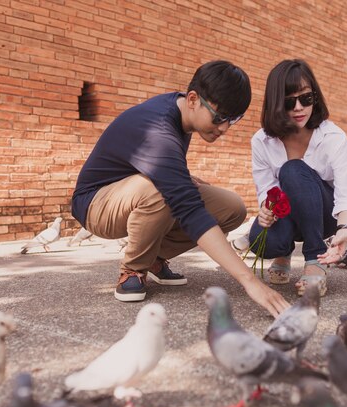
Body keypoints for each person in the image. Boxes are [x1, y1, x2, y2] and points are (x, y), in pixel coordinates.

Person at [71, 60, 290, 317]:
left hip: (132, 190)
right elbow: (189, 210)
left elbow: (151, 165)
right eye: (219, 117)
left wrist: (182, 177)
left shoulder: (180, 112)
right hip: (95, 203)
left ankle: (153, 256)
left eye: (233, 119)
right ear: (194, 99)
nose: (224, 128)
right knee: (161, 191)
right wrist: (251, 282)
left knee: (232, 208)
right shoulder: (158, 129)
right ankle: (134, 267)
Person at [247, 59, 347, 295]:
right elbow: (266, 189)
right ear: (275, 103)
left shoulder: (332, 136)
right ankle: (283, 251)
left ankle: (314, 260)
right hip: (287, 211)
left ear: (315, 97)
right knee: (262, 241)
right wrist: (266, 209)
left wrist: (345, 229)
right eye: (290, 101)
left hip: (324, 216)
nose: (299, 107)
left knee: (292, 169)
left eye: (306, 98)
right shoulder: (262, 140)